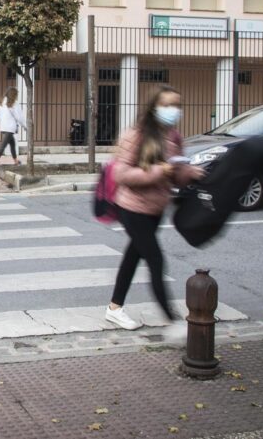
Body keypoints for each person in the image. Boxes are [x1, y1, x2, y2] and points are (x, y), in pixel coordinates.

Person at [105, 85, 204, 337]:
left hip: (155, 209)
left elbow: (177, 174)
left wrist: (190, 173)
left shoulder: (174, 137)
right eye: (168, 105)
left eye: (177, 105)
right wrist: (161, 171)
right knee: (156, 260)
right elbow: (121, 173)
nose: (174, 111)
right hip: (131, 207)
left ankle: (114, 307)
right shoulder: (136, 135)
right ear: (154, 107)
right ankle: (173, 322)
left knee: (133, 257)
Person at [0, 87, 27, 166]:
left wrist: (3, 121)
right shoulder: (15, 104)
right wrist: (25, 126)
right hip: (10, 127)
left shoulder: (2, 102)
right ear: (14, 95)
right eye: (16, 94)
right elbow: (19, 117)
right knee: (3, 144)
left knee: (12, 143)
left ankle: (15, 161)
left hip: (3, 127)